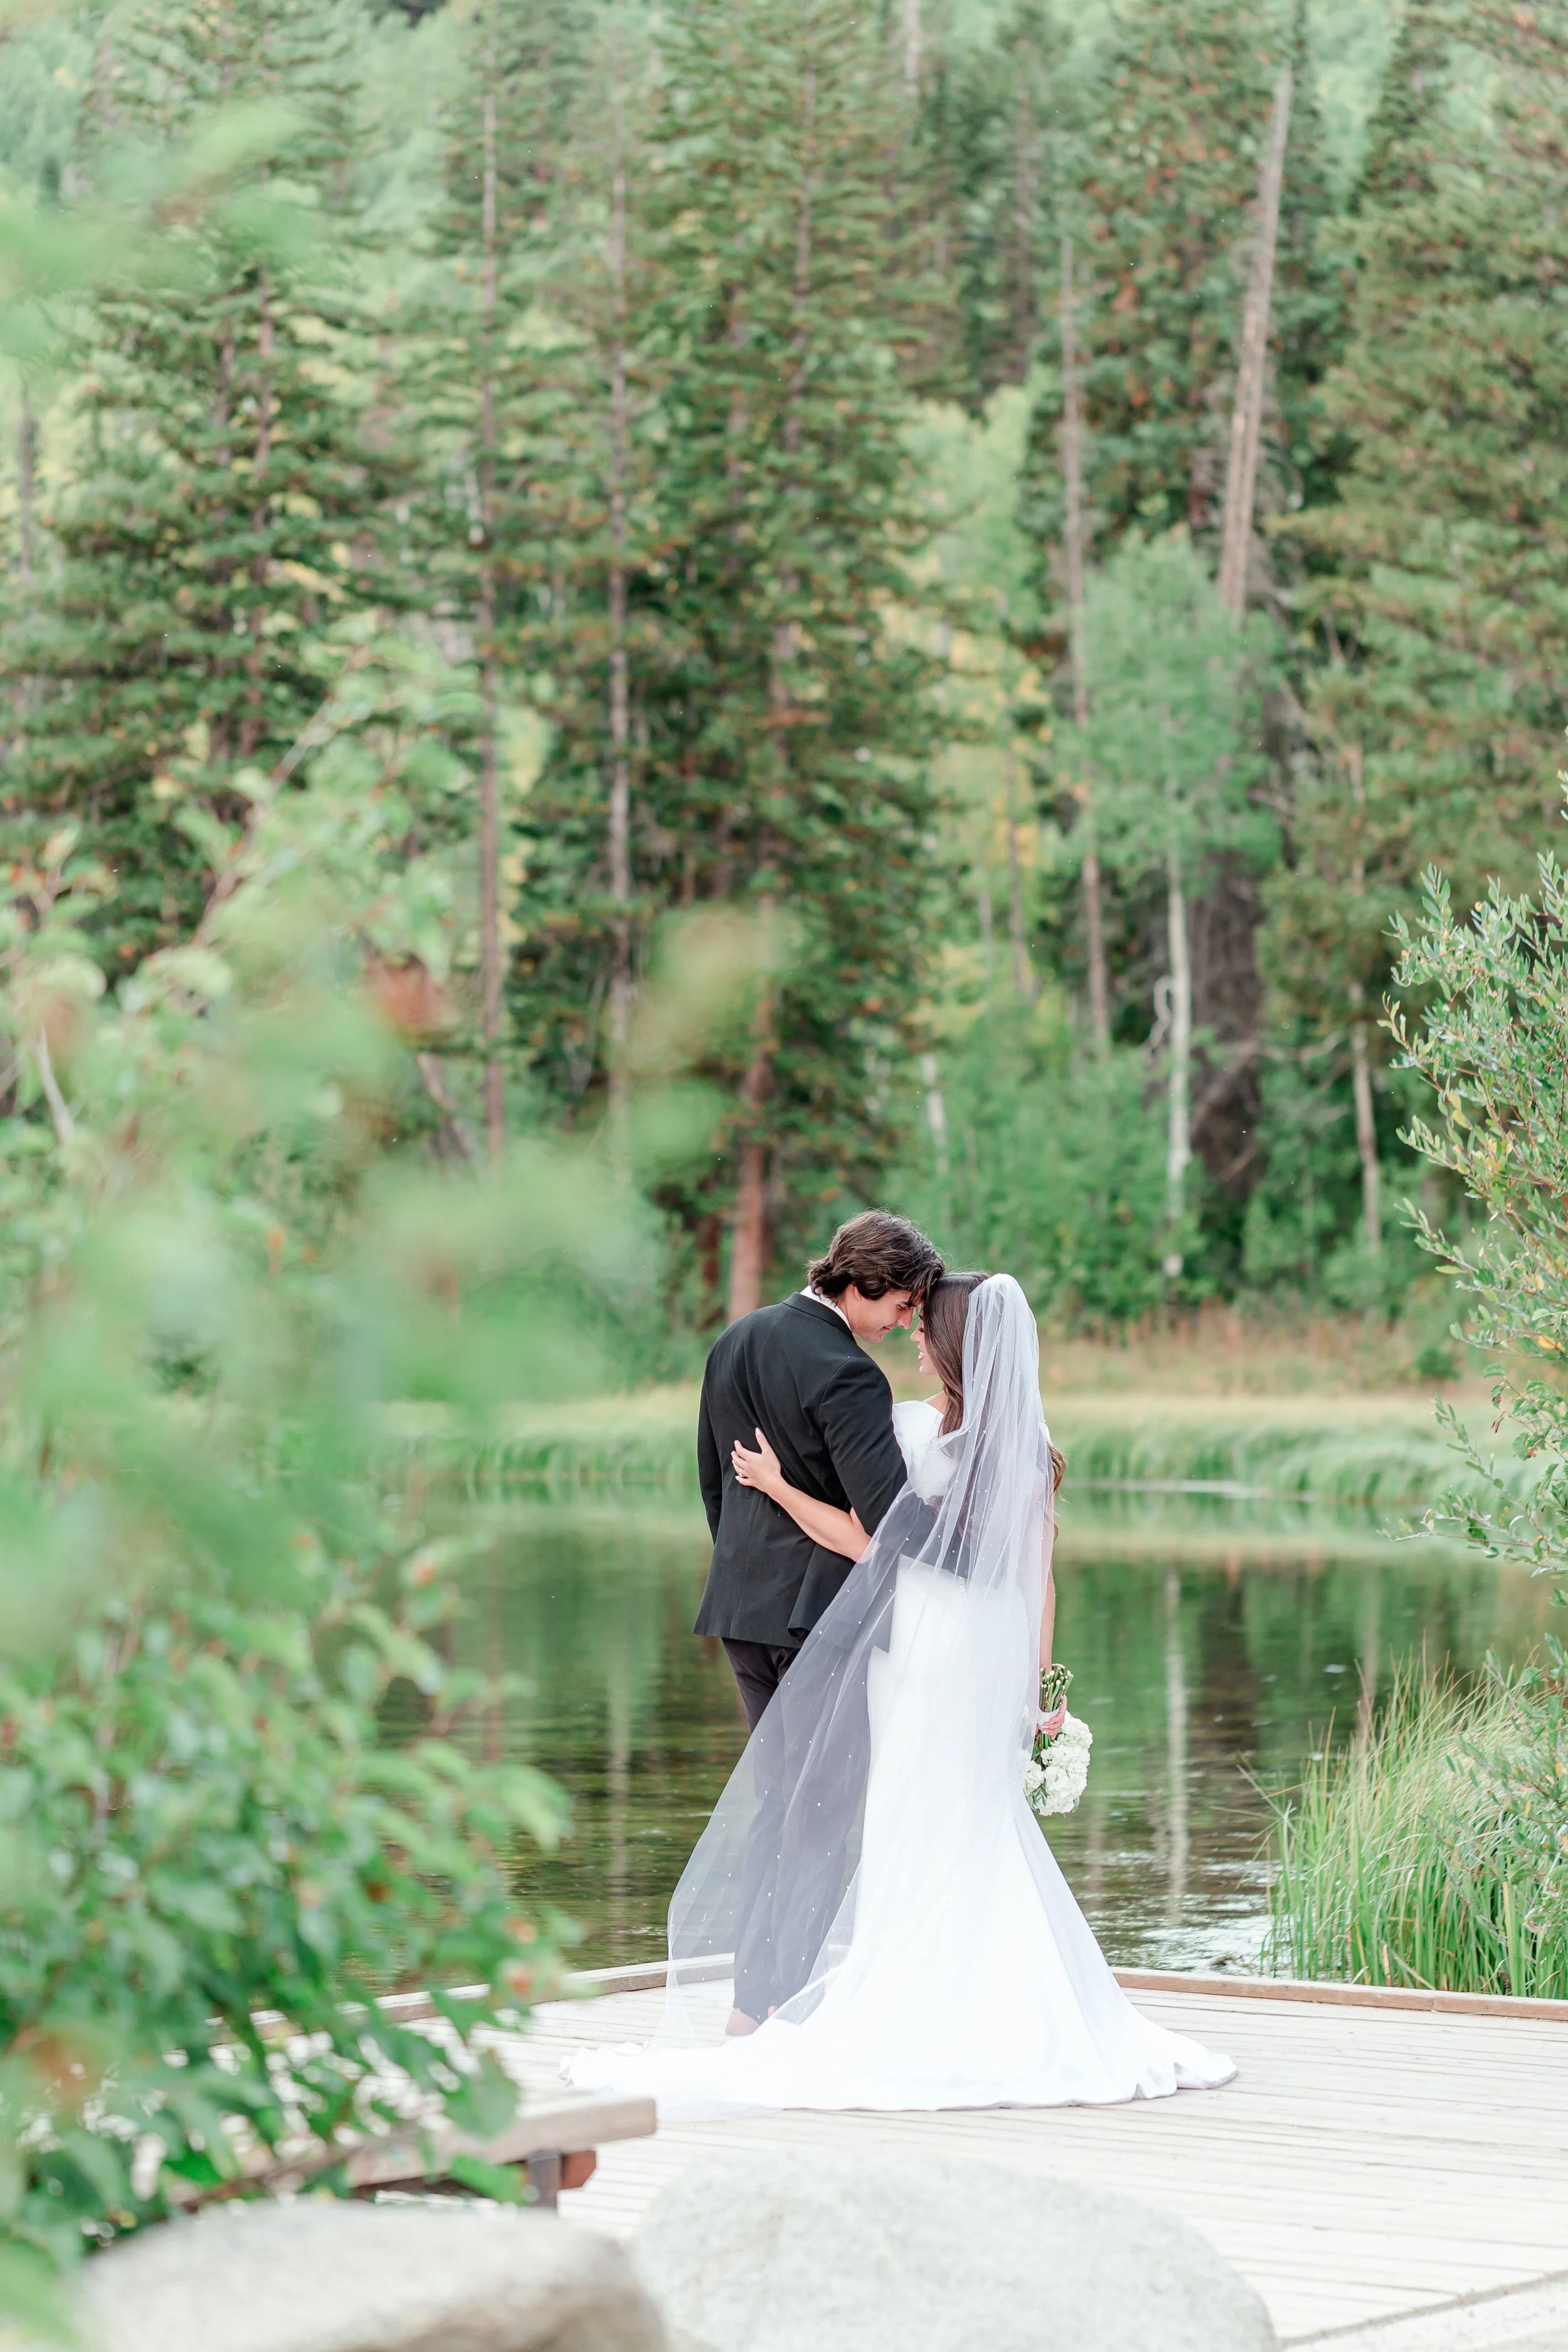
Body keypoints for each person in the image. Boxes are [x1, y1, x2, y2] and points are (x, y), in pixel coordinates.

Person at [567, 1271, 1236, 2118]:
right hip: (987, 1653)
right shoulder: (1028, 1444)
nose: (913, 1336)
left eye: (926, 1328)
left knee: (906, 1810)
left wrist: (775, 1486)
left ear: (953, 1345)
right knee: (977, 1810)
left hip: (921, 1646)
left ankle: (903, 1991)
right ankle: (993, 1997)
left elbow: (866, 1540)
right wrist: (1043, 1690)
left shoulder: (912, 1428)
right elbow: (1041, 1582)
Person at [692, 1208, 943, 2032]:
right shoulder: (849, 1373)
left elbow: (714, 1486)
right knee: (823, 1809)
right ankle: (786, 2001)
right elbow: (891, 1519)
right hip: (824, 1619)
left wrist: (748, 1573)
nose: (902, 1322)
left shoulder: (735, 1340)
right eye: (901, 1304)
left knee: (778, 1802)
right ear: (864, 1283)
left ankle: (748, 1999)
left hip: (743, 1609)